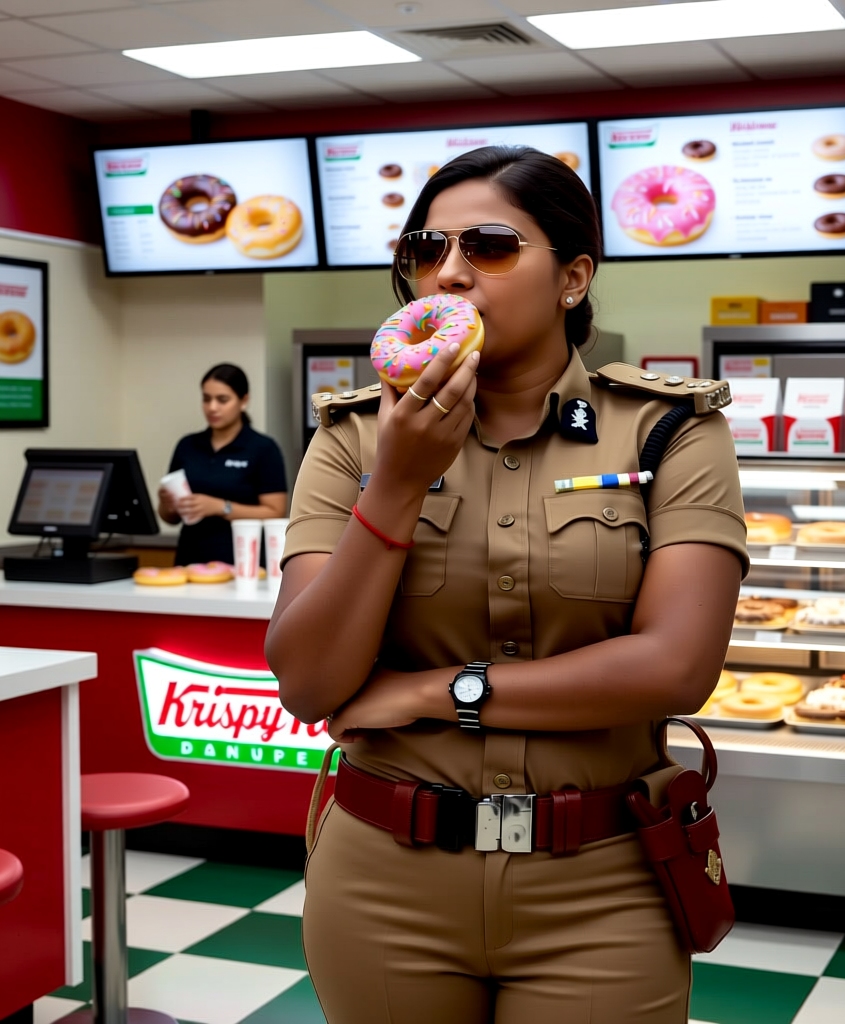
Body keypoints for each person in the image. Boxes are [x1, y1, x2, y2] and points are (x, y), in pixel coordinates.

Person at [265, 146, 747, 1024]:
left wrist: (432, 691)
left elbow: (677, 668)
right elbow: (307, 680)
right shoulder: (354, 441)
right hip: (382, 877)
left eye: (487, 245)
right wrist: (399, 484)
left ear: (573, 278)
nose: (447, 272)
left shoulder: (667, 434)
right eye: (425, 248)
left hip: (602, 879)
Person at [158, 363, 287, 566]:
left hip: (241, 562)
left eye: (222, 400)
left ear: (243, 400)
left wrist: (221, 507)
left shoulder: (263, 448)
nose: (212, 407)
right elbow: (170, 518)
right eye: (206, 399)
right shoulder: (187, 445)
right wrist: (167, 505)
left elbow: (275, 511)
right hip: (191, 560)